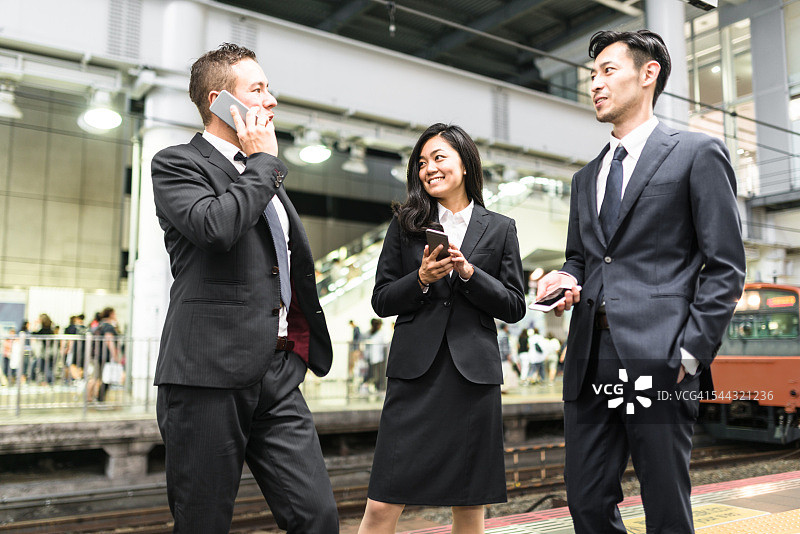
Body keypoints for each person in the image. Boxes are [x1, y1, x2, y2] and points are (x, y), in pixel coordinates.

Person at [535, 30, 746, 533]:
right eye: (592, 75)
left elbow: (725, 266)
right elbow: (583, 258)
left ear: (648, 74)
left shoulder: (696, 153)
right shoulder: (585, 178)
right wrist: (565, 277)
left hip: (662, 356)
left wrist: (690, 354)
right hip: (589, 357)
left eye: (608, 71)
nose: (595, 84)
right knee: (586, 500)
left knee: (665, 505)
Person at [150, 43, 337, 533]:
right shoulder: (177, 164)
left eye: (269, 88)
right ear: (220, 102)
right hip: (207, 377)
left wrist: (295, 352)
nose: (271, 100)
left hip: (277, 373)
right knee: (203, 522)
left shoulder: (261, 171)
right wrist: (262, 163)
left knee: (317, 516)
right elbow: (216, 228)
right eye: (257, 89)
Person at [358, 123, 526, 533]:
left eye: (438, 158)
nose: (428, 168)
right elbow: (381, 299)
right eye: (421, 162)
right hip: (415, 376)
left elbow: (514, 306)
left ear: (465, 164)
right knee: (381, 505)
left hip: (473, 379)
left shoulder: (500, 227)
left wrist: (470, 274)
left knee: (468, 507)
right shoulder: (406, 224)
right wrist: (420, 279)